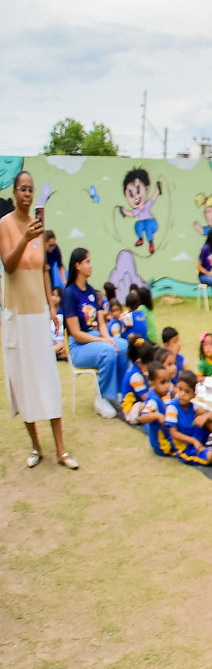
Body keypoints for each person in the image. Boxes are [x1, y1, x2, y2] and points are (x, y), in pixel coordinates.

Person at [2, 170, 72, 467]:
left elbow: (44, 270)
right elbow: (8, 264)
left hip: (38, 314)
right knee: (21, 381)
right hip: (15, 315)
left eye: (31, 188)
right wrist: (24, 239)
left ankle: (61, 451)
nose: (27, 193)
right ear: (15, 192)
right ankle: (36, 447)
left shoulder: (40, 230)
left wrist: (53, 310)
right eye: (23, 188)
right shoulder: (4, 225)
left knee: (48, 381)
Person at [59, 248, 123, 420]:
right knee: (107, 351)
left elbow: (101, 322)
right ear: (77, 265)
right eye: (87, 261)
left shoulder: (91, 291)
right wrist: (103, 341)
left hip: (95, 338)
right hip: (79, 346)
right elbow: (76, 333)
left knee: (122, 345)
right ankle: (101, 398)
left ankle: (117, 393)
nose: (91, 265)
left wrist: (108, 338)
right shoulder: (70, 294)